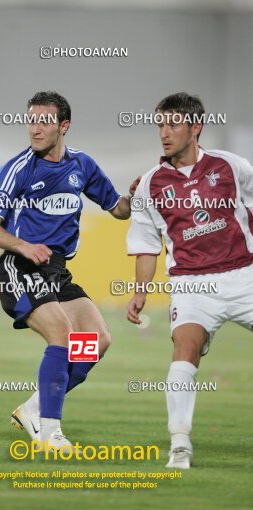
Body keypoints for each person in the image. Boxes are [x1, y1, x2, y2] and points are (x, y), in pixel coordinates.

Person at [0, 91, 132, 452]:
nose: (35, 127)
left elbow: (118, 210)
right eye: (31, 119)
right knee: (62, 335)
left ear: (63, 126)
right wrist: (23, 246)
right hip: (21, 266)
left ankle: (34, 408)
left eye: (44, 120)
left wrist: (137, 196)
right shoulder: (18, 168)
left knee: (97, 339)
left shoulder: (82, 166)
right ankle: (49, 432)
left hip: (57, 272)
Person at [126, 92, 253, 469]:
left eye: (173, 124)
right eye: (160, 124)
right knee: (185, 349)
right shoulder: (149, 185)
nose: (165, 132)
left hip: (244, 273)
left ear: (195, 127)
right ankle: (180, 443)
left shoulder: (232, 166)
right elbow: (146, 244)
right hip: (192, 283)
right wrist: (140, 291)